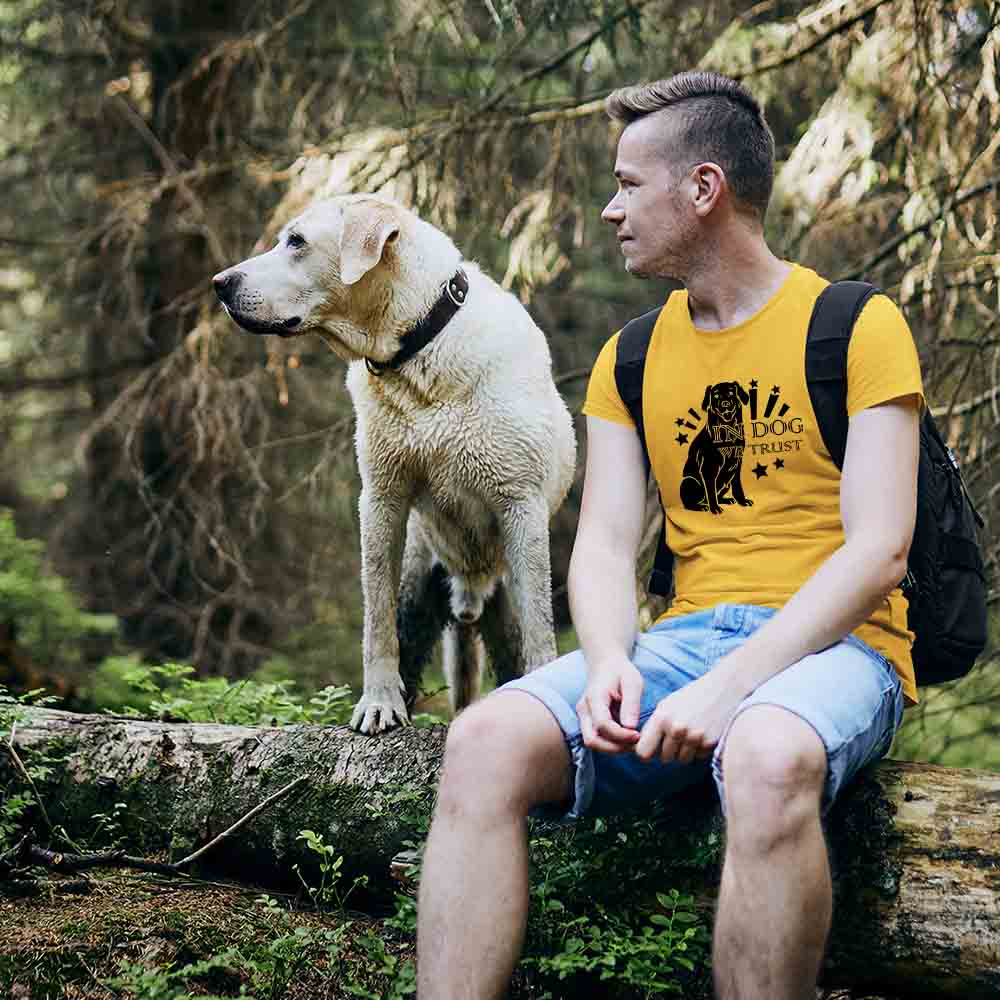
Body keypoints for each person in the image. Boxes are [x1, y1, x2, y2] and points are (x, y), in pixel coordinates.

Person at [415, 70, 924, 1000]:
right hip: (687, 641)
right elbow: (606, 546)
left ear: (703, 188)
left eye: (627, 184)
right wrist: (611, 658)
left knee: (766, 754)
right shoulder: (633, 356)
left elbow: (880, 549)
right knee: (483, 740)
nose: (611, 210)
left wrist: (734, 687)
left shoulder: (856, 324)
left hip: (843, 648)